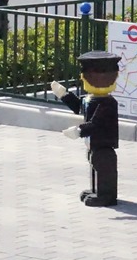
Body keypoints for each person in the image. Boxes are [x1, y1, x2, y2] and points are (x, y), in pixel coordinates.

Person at [50, 51, 122, 208]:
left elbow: (97, 123)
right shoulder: (90, 100)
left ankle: (106, 196)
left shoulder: (108, 104)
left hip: (103, 143)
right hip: (94, 143)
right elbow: (78, 107)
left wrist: (79, 131)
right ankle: (97, 190)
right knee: (95, 163)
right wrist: (64, 94)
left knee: (104, 166)